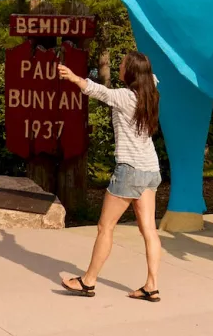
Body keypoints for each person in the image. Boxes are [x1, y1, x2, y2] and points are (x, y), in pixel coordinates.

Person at [55, 51, 163, 303]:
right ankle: (152, 286)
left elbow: (98, 91)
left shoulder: (126, 97)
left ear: (132, 72)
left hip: (130, 170)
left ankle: (88, 281)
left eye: (124, 64)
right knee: (149, 229)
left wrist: (72, 77)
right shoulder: (151, 92)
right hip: (150, 169)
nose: (120, 66)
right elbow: (153, 77)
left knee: (105, 227)